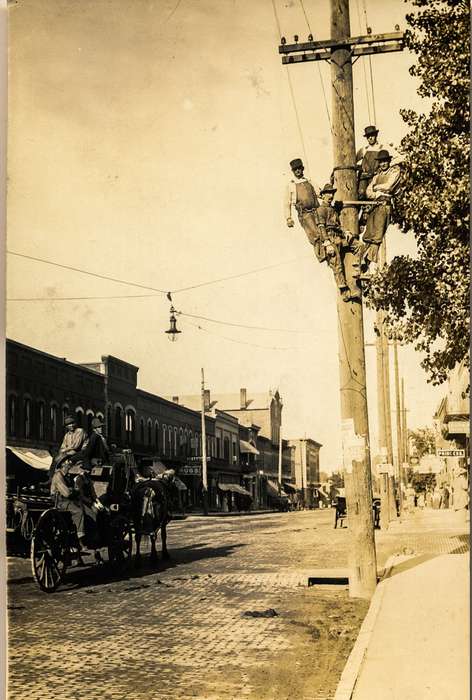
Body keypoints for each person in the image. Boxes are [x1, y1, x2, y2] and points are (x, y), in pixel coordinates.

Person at [315, 183, 362, 301]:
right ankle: (345, 293)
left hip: (339, 237)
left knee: (359, 245)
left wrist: (345, 232)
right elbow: (321, 227)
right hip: (330, 239)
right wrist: (327, 243)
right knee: (337, 266)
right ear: (323, 195)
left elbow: (337, 225)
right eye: (328, 193)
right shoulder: (321, 210)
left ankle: (359, 268)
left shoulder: (333, 210)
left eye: (332, 193)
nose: (330, 195)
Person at [360, 149, 402, 271]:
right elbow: (368, 191)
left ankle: (367, 260)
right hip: (375, 205)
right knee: (368, 234)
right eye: (381, 162)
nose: (383, 164)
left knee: (377, 235)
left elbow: (389, 187)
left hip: (385, 205)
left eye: (385, 161)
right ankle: (362, 261)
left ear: (389, 161)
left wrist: (376, 189)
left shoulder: (394, 172)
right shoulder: (377, 175)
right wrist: (375, 193)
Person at [285, 158, 324, 262]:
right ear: (293, 171)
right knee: (315, 235)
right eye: (295, 170)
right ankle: (322, 255)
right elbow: (286, 203)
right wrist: (288, 218)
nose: (297, 171)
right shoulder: (291, 185)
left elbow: (320, 193)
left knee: (324, 231)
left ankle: (329, 253)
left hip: (317, 210)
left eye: (299, 168)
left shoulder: (309, 181)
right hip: (305, 214)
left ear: (302, 169)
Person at [49, 414, 88, 480]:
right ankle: (51, 477)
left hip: (80, 452)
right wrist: (63, 451)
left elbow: (76, 445)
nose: (71, 425)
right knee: (56, 458)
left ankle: (55, 477)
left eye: (72, 423)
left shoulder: (80, 431)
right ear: (66, 426)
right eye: (69, 424)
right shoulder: (67, 435)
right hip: (70, 452)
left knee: (62, 458)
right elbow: (62, 447)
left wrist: (65, 450)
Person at [356, 125, 385, 198]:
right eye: (368, 136)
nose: (370, 138)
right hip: (364, 177)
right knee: (361, 193)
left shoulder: (381, 147)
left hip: (376, 176)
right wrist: (359, 168)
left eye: (372, 135)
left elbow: (397, 158)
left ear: (376, 135)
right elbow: (353, 161)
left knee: (374, 194)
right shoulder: (364, 149)